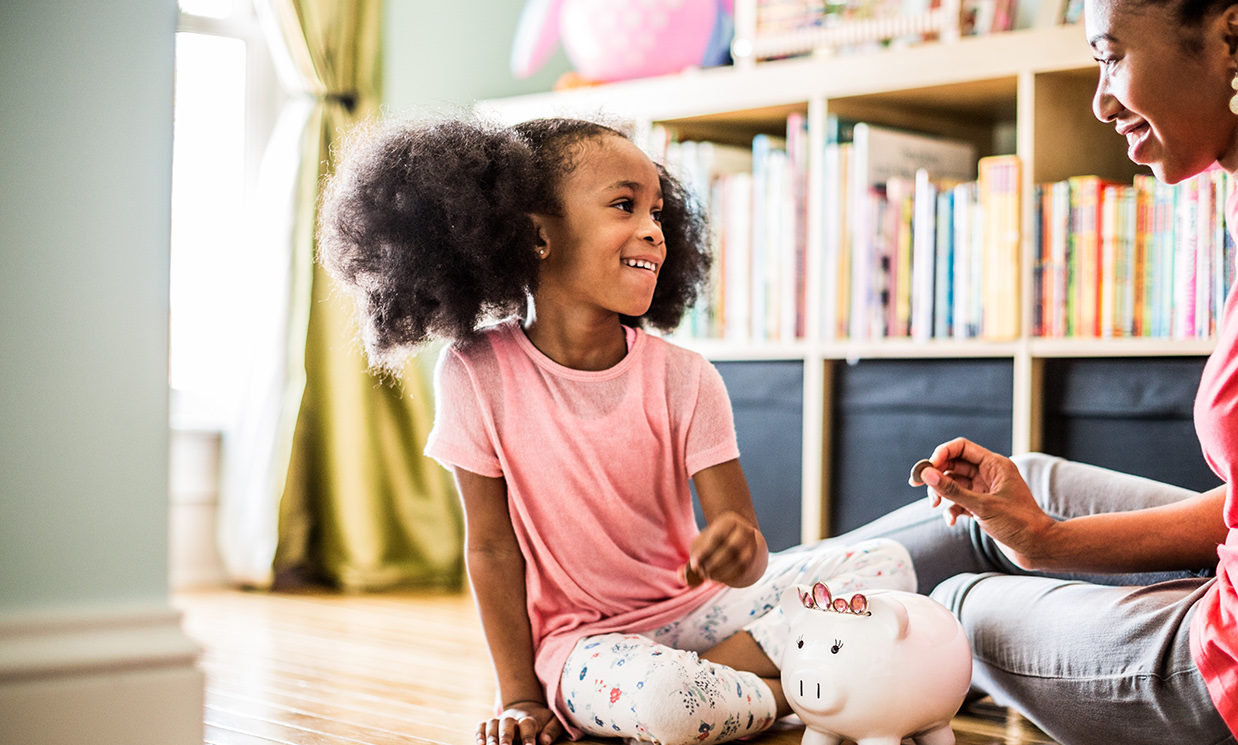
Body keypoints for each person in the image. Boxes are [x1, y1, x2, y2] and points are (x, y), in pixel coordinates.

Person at [833, 1, 1238, 743]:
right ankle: (718, 613)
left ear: (1233, 39)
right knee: (1030, 489)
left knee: (951, 606)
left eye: (1112, 56)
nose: (1101, 98)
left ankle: (721, 637)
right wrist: (1047, 538)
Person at [316, 116, 914, 745]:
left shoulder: (686, 377)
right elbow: (491, 550)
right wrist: (519, 696)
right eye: (625, 206)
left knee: (889, 566)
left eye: (657, 211)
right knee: (670, 705)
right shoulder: (474, 372)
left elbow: (748, 546)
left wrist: (740, 548)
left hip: (702, 613)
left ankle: (743, 688)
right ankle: (801, 685)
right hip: (585, 647)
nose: (653, 230)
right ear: (536, 236)